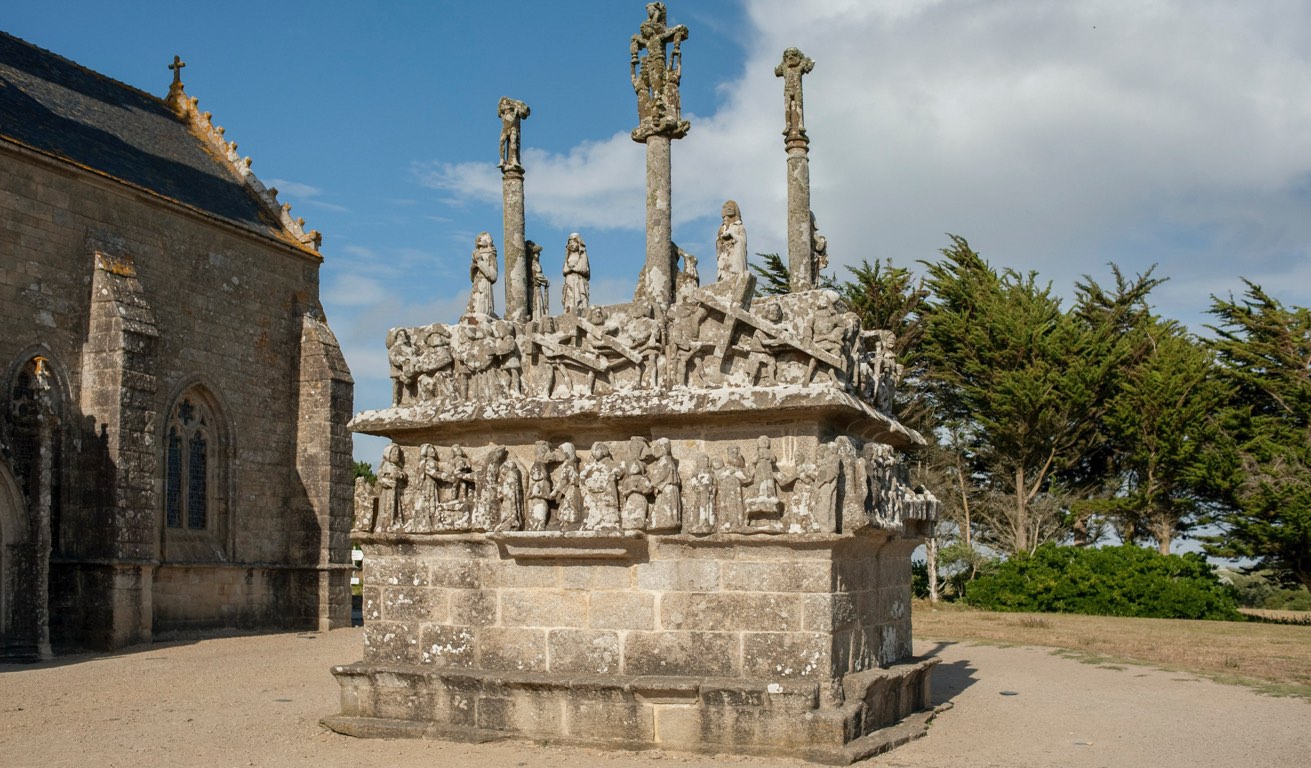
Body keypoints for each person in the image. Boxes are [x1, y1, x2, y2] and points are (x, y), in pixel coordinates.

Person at [561, 233, 590, 313]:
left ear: (578, 243)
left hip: (578, 280)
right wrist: (569, 270)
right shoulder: (568, 256)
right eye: (570, 242)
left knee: (579, 297)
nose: (572, 244)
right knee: (569, 297)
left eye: (574, 242)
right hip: (569, 280)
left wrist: (575, 269)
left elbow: (584, 269)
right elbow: (564, 270)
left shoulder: (581, 254)